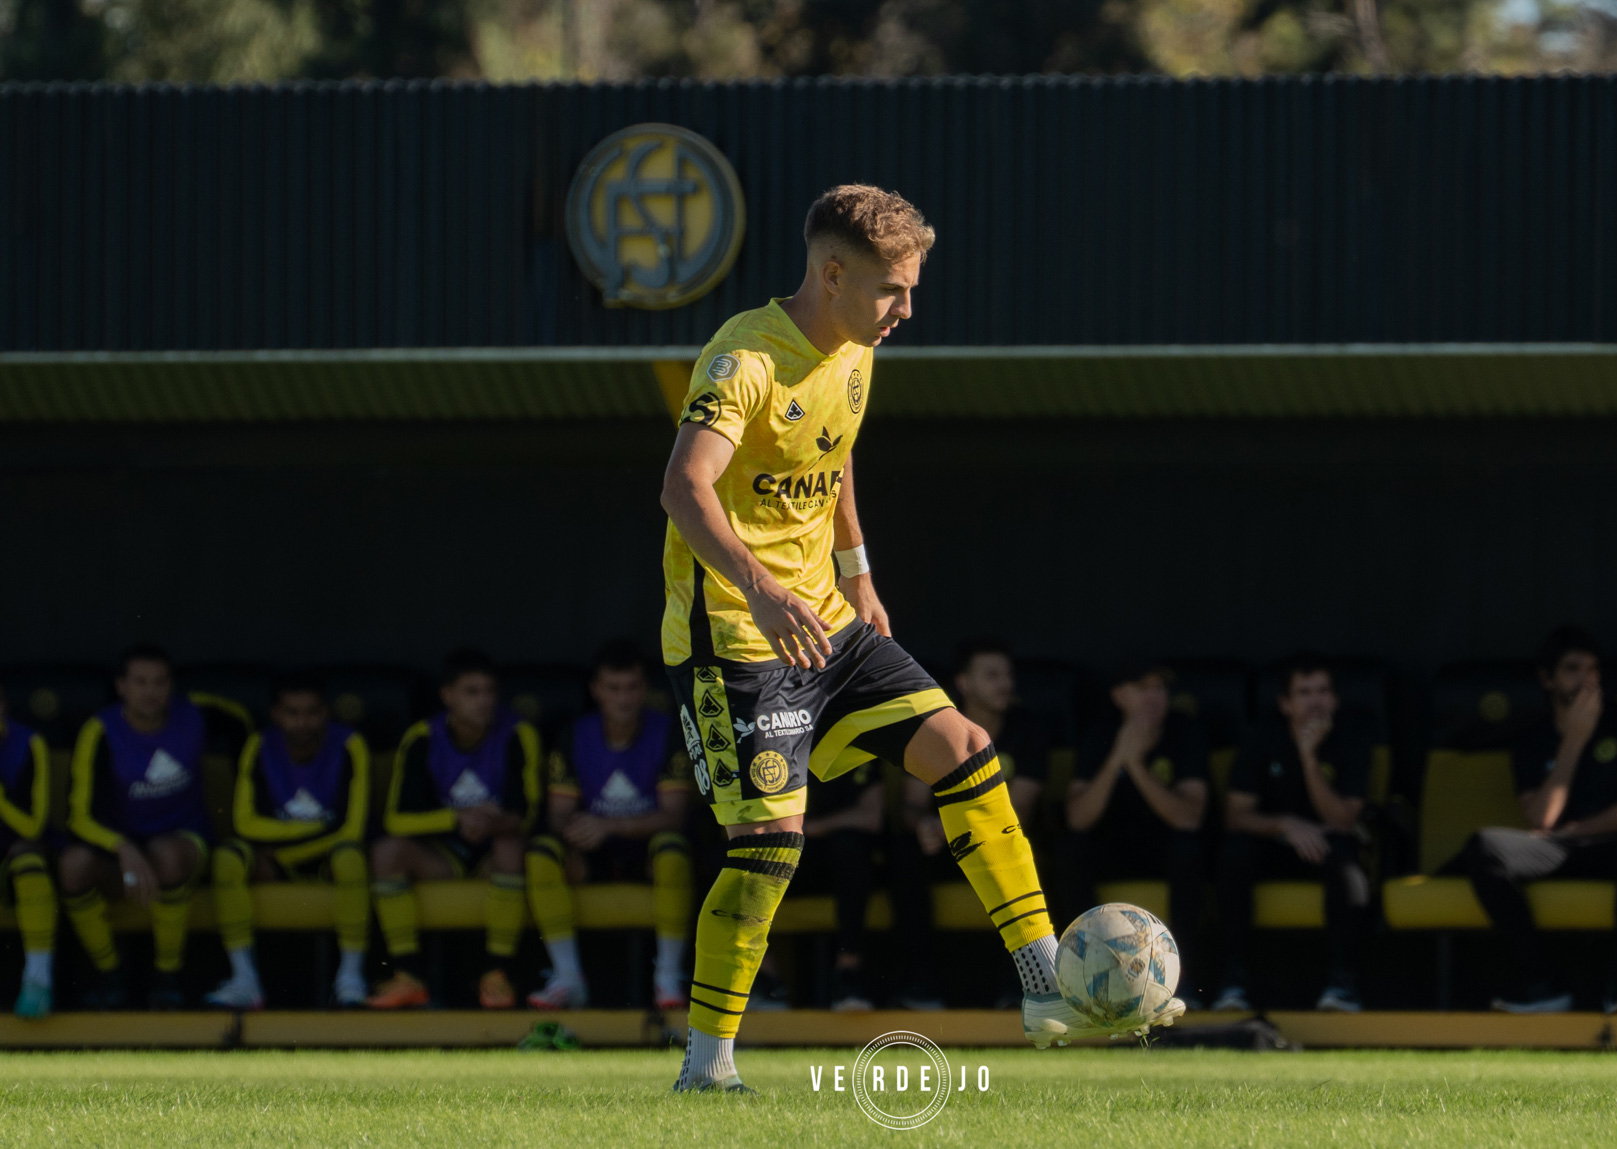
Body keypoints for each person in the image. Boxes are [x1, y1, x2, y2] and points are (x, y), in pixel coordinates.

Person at [659, 185, 1181, 1093]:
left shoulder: (857, 350)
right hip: (740, 637)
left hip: (828, 619)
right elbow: (684, 489)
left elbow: (834, 451)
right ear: (832, 274)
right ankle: (708, 1068)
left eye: (911, 288)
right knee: (770, 848)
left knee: (967, 747)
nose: (907, 308)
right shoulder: (744, 359)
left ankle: (1045, 982)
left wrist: (857, 570)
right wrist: (765, 591)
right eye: (892, 289)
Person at [1458, 626, 1617, 1015]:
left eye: (1593, 670)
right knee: (1485, 847)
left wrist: (1579, 830)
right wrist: (1573, 740)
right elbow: (1542, 818)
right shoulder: (1532, 738)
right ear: (1547, 679)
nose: (1586, 680)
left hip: (1616, 844)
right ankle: (1542, 984)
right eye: (1573, 669)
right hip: (1560, 849)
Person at [60, 644, 251, 1009]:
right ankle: (109, 976)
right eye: (140, 682)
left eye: (159, 682)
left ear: (171, 685)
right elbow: (77, 816)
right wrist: (123, 848)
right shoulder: (99, 730)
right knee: (73, 865)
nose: (150, 691)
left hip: (184, 844)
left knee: (167, 853)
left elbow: (249, 729)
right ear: (122, 686)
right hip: (125, 855)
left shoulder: (197, 712)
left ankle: (167, 977)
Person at [367, 649, 541, 1011]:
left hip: (493, 855)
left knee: (511, 845)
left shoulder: (518, 733)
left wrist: (492, 823)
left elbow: (528, 814)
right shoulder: (421, 737)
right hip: (442, 856)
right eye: (471, 692)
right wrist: (456, 819)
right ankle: (409, 975)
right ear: (447, 695)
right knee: (386, 852)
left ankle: (497, 973)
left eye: (489, 691)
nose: (483, 701)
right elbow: (396, 819)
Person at [524, 640, 694, 1011]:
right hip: (592, 850)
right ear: (595, 690)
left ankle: (668, 979)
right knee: (542, 853)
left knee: (672, 850)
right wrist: (582, 830)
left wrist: (610, 825)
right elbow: (557, 814)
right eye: (613, 688)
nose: (623, 698)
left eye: (631, 687)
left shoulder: (669, 732)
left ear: (644, 689)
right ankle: (568, 978)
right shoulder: (574, 734)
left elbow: (674, 816)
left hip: (646, 849)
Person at [891, 639, 1052, 1009]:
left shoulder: (1028, 729)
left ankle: (1023, 988)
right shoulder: (936, 729)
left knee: (1034, 856)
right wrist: (923, 826)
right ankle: (919, 987)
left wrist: (954, 829)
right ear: (964, 683)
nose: (1005, 684)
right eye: (992, 676)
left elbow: (1019, 810)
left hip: (1001, 843)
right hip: (945, 848)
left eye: (1007, 675)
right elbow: (912, 806)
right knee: (903, 855)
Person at [205, 671, 372, 1010]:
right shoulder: (259, 744)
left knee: (350, 856)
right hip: (274, 862)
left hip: (322, 860)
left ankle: (350, 978)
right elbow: (245, 824)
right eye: (292, 712)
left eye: (311, 712)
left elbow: (352, 829)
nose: (302, 722)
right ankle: (244, 979)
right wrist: (313, 830)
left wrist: (285, 853)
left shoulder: (350, 744)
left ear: (325, 712)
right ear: (276, 714)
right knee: (228, 858)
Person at [1215, 653, 1371, 1013]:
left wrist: (1308, 757)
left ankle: (1342, 984)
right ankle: (1232, 981)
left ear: (1335, 699)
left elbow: (1342, 820)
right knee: (1234, 853)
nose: (1316, 701)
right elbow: (1236, 816)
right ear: (1286, 703)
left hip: (1328, 846)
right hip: (1272, 845)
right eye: (1305, 693)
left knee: (1346, 863)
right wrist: (1286, 824)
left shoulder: (1353, 736)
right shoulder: (1261, 737)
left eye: (1323, 691)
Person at [1064, 661, 1207, 1006]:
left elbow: (1188, 819)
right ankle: (1082, 980)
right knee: (1071, 850)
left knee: (1189, 850)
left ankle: (1184, 981)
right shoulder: (1100, 734)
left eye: (1160, 688)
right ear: (1119, 696)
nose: (1155, 696)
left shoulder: (1184, 732)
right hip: (1115, 848)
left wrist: (1136, 765)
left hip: (1166, 849)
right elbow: (1078, 819)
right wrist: (1117, 758)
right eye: (1143, 688)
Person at [791, 764, 884, 1011]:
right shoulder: (782, 749)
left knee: (850, 849)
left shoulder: (857, 751)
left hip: (845, 861)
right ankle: (762, 979)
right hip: (793, 858)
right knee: (732, 860)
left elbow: (872, 818)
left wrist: (812, 828)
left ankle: (848, 974)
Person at [0, 684, 56, 1018]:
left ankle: (38, 980)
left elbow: (34, 827)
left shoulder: (29, 743)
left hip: (16, 856)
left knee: (28, 858)